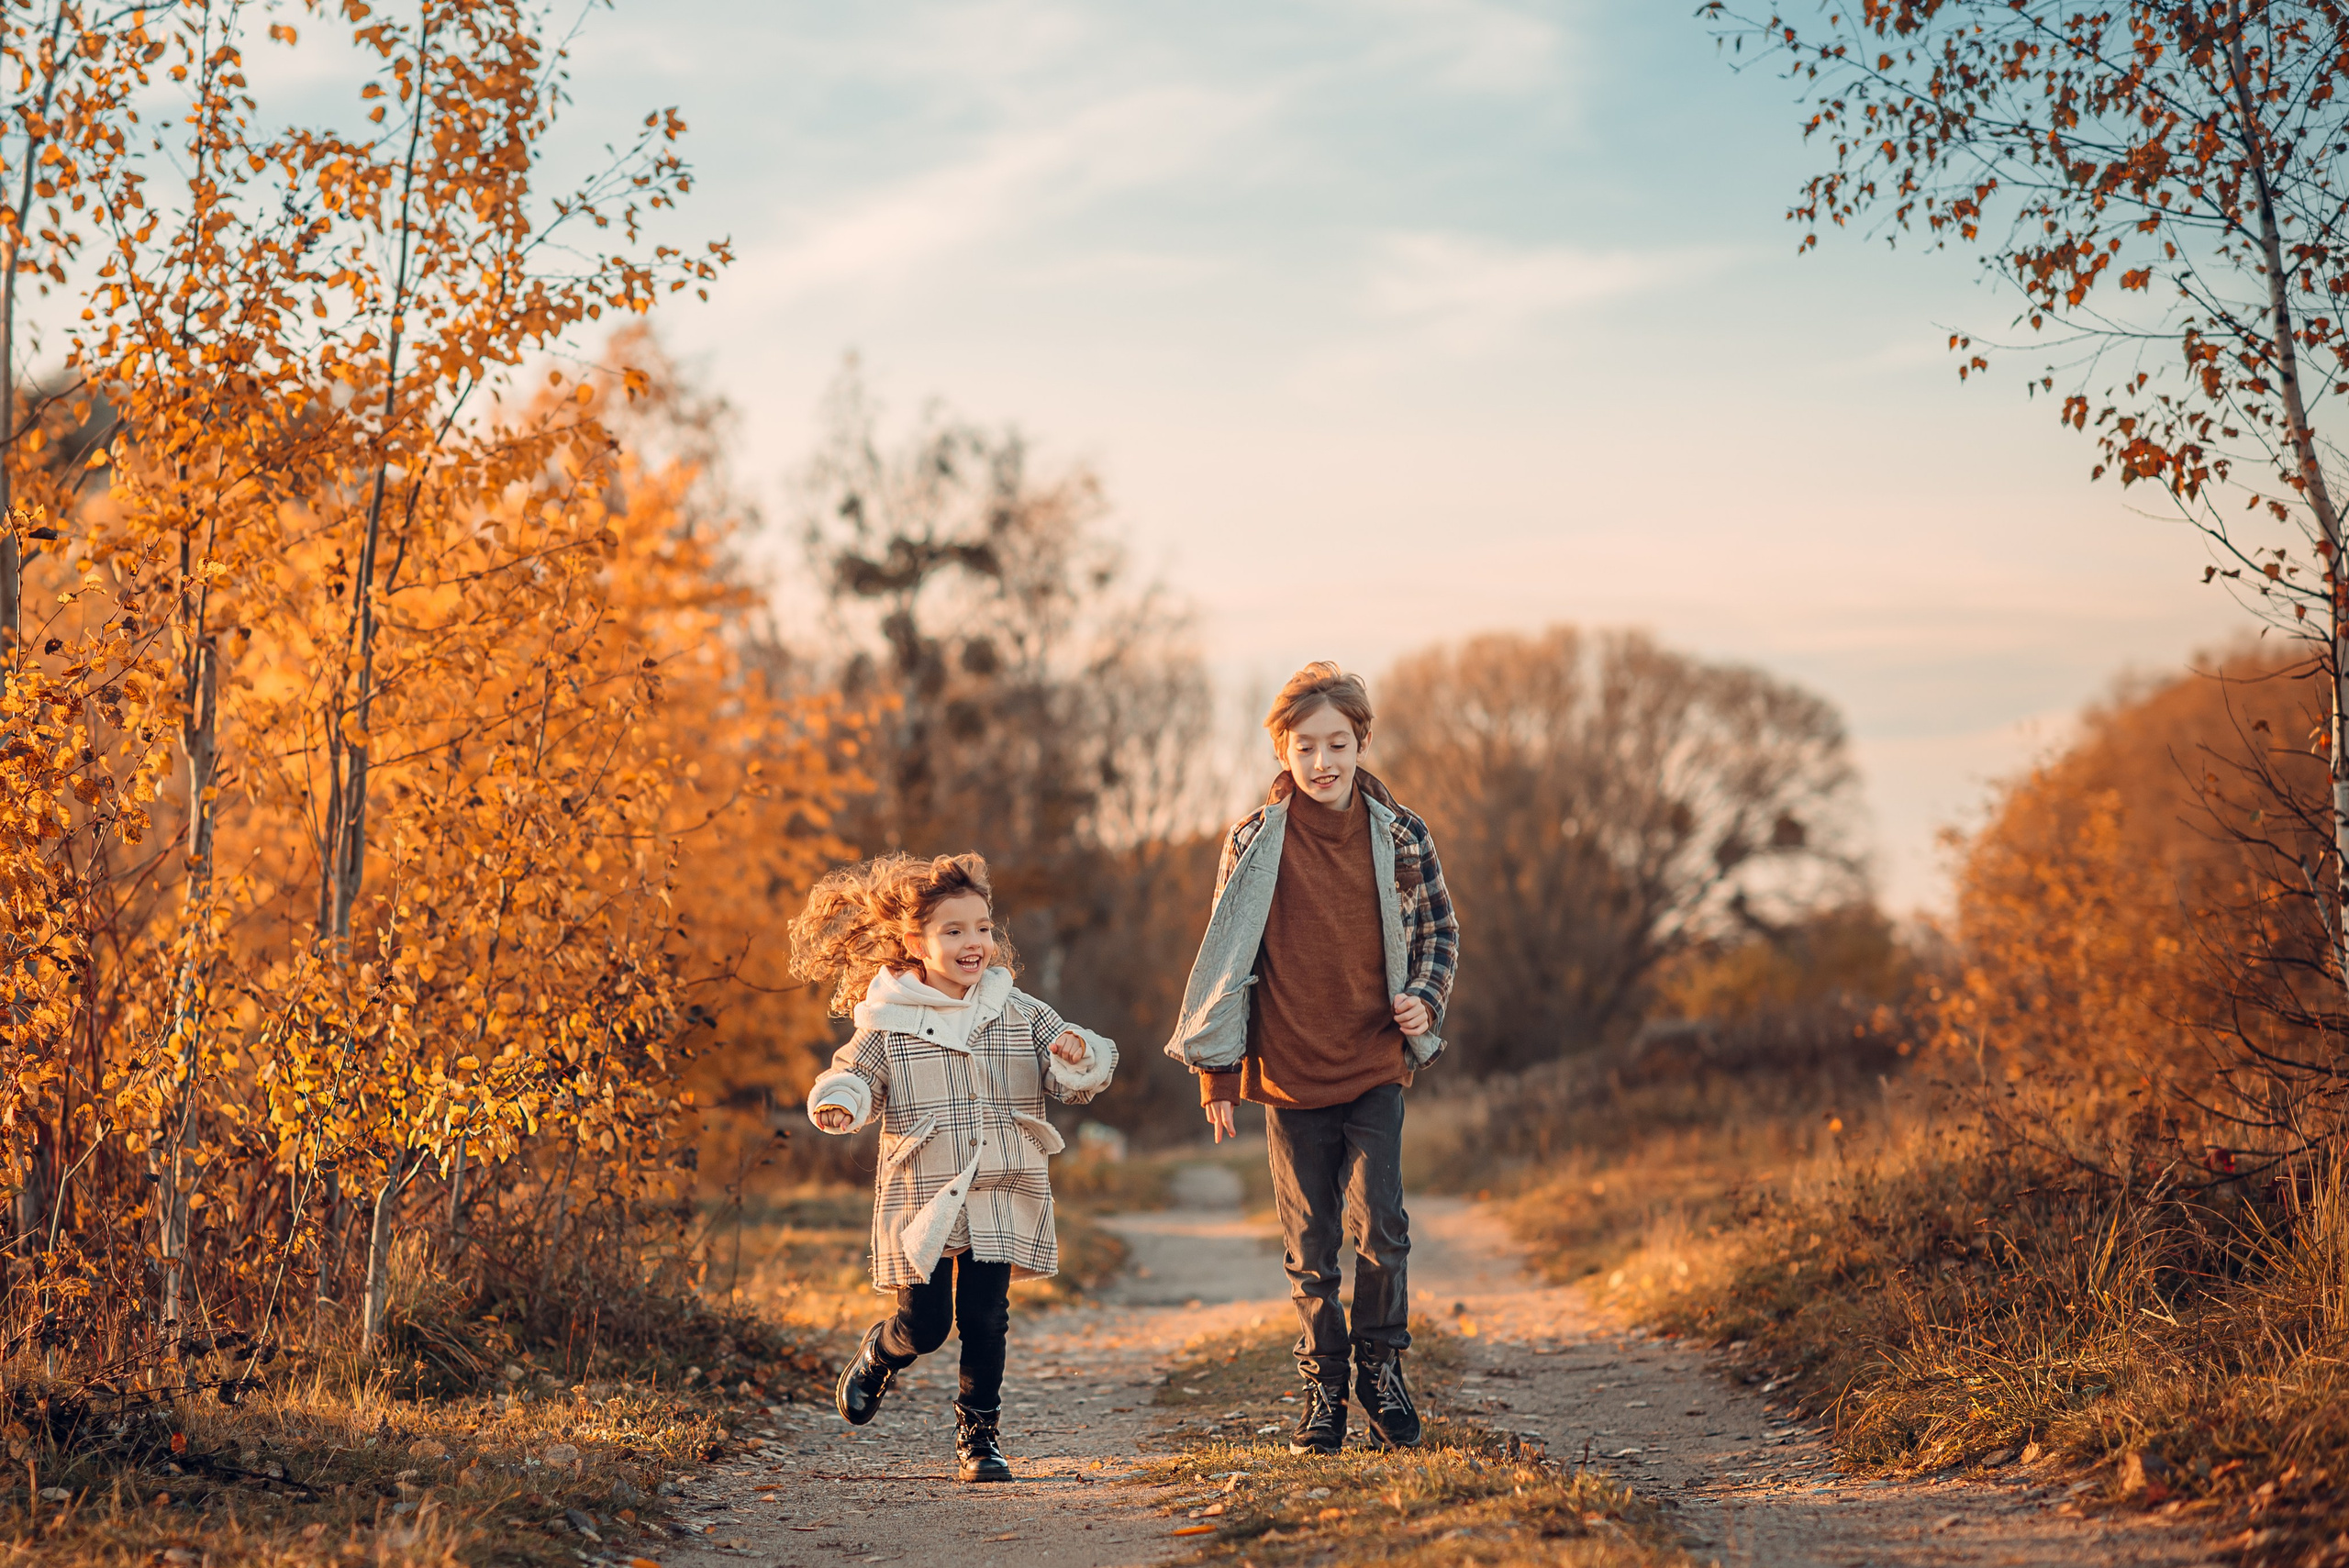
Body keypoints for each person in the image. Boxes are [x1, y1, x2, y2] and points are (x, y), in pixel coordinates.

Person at [1165, 662, 1459, 1454]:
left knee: (1384, 1229)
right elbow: (1225, 961)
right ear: (1283, 750)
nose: (1323, 761)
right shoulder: (1255, 841)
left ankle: (1380, 1368)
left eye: (1338, 743)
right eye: (1307, 746)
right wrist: (1218, 1073)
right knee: (1312, 1246)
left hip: (1371, 1063)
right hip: (1289, 1075)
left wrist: (1423, 998)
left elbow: (1438, 931)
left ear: (1361, 741)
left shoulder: (1402, 833)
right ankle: (1323, 1385)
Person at [794, 851, 1116, 1482]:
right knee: (929, 1322)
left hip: (1003, 1180)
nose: (976, 943)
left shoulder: (1016, 1008)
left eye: (984, 928)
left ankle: (979, 1435)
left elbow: (1070, 1070)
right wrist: (839, 1101)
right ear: (916, 940)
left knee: (986, 1317)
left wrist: (1077, 1054)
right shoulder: (890, 1019)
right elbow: (853, 1075)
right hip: (926, 1192)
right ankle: (881, 1350)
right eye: (955, 930)